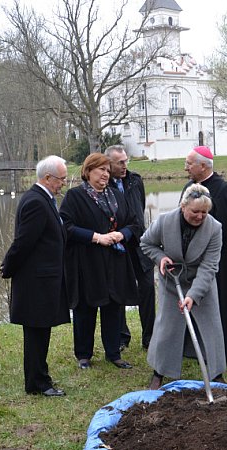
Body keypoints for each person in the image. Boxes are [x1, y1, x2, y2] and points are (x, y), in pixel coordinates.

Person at [60, 153, 142, 370]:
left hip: (115, 261)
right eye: (100, 170)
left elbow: (134, 223)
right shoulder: (74, 196)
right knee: (86, 307)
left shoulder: (116, 195)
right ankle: (84, 355)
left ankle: (113, 352)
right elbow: (66, 227)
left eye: (107, 170)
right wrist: (96, 237)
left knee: (114, 306)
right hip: (88, 262)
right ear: (88, 172)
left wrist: (122, 234)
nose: (105, 174)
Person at [140, 184, 225, 389]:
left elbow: (209, 266)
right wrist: (160, 258)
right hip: (172, 279)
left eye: (204, 212)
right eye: (195, 211)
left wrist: (194, 295)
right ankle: (159, 373)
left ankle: (216, 374)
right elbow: (146, 243)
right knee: (167, 327)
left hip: (202, 283)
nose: (199, 216)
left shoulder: (215, 228)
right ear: (182, 206)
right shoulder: (164, 221)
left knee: (211, 327)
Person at [1, 155, 69, 397]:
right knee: (36, 333)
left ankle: (40, 378)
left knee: (41, 331)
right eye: (61, 179)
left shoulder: (45, 199)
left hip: (44, 279)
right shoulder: (36, 202)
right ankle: (37, 382)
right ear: (48, 178)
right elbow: (23, 242)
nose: (63, 183)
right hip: (36, 281)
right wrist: (7, 267)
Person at [181, 146, 227, 362]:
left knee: (222, 304)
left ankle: (224, 349)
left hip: (222, 260)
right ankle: (195, 347)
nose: (186, 167)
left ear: (203, 165)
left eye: (189, 163)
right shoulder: (189, 188)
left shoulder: (223, 189)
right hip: (193, 260)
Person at [105, 145, 155, 351]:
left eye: (126, 161)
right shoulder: (103, 184)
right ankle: (121, 337)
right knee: (118, 290)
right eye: (120, 162)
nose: (125, 166)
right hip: (116, 243)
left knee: (148, 287)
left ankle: (150, 337)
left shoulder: (135, 180)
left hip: (139, 241)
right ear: (108, 164)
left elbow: (139, 209)